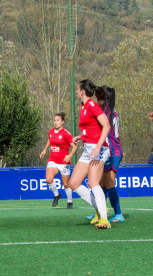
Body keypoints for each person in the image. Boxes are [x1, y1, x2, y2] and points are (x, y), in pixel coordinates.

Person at [69, 79, 111, 229]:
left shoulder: (92, 106)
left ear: (82, 91)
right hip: (88, 148)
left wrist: (97, 147)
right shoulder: (83, 106)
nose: (76, 91)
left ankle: (104, 219)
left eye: (77, 89)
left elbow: (106, 125)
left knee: (93, 183)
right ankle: (101, 209)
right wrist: (81, 136)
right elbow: (91, 127)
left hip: (98, 149)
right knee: (73, 183)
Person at [86, 86, 124, 223]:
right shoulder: (111, 110)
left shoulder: (105, 111)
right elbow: (117, 131)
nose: (96, 98)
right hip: (114, 149)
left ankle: (118, 214)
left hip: (112, 151)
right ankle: (100, 210)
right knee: (100, 182)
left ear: (104, 98)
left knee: (108, 182)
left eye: (98, 96)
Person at [40, 112, 77, 209]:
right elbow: (50, 139)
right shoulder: (51, 131)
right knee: (48, 179)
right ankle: (57, 195)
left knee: (66, 184)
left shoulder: (66, 133)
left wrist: (69, 155)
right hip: (53, 160)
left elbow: (74, 147)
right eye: (54, 120)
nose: (56, 122)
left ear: (62, 122)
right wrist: (44, 149)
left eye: (58, 120)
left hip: (64, 162)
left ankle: (69, 201)